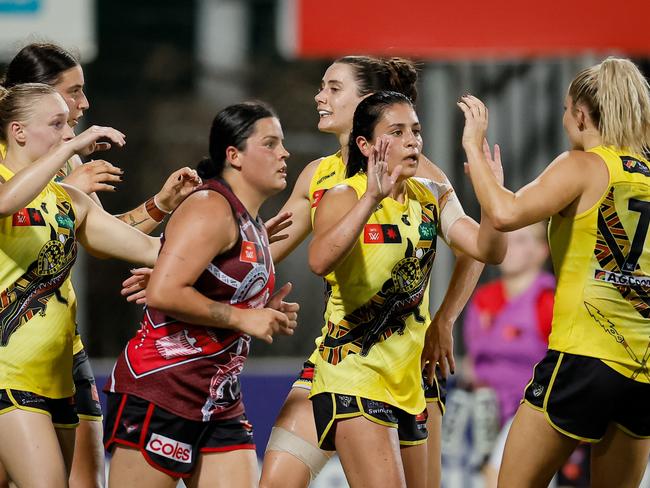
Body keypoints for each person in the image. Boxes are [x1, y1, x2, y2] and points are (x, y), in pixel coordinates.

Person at [253, 56, 485, 488]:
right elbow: (265, 252)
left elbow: (473, 247)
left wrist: (445, 320)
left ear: (367, 101)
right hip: (340, 360)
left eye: (334, 88)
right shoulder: (318, 176)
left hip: (409, 368)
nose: (320, 97)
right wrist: (186, 269)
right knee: (276, 481)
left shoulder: (421, 176)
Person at [0, 42, 201, 488]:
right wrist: (70, 168)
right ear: (21, 123)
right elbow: (6, 200)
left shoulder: (64, 183)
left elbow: (125, 242)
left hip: (59, 358)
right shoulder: (36, 169)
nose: (81, 107)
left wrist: (240, 232)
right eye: (71, 97)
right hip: (9, 362)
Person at [458, 56, 650, 487]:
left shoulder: (582, 166)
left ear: (581, 115)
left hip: (585, 356)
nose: (565, 118)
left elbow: (506, 212)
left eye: (566, 110)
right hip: (644, 368)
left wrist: (473, 146)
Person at [306, 90, 505, 488]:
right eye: (396, 132)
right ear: (365, 145)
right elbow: (319, 261)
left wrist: (491, 200)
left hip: (410, 381)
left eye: (416, 130)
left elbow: (488, 250)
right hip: (353, 372)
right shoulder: (344, 196)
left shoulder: (427, 197)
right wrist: (371, 199)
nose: (413, 140)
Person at [104, 102, 300, 488]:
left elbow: (215, 287)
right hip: (163, 389)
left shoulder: (253, 219)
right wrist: (244, 318)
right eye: (271, 143)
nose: (284, 153)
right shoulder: (211, 207)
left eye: (283, 143)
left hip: (218, 398)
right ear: (234, 155)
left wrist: (261, 309)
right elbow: (163, 291)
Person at [461, 222, 554, 486]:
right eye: (508, 238)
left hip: (530, 412)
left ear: (541, 251)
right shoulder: (483, 298)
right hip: (481, 413)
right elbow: (471, 362)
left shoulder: (548, 300)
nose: (510, 246)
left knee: (498, 476)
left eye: (522, 240)